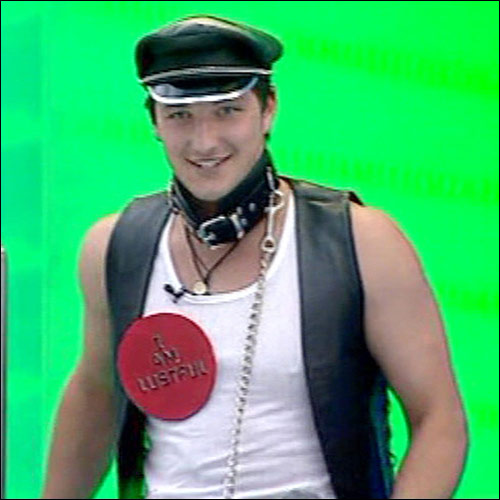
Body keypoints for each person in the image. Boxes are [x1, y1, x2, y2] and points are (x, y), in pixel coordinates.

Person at [41, 15, 468, 500]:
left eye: (228, 111)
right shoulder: (114, 245)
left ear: (268, 109)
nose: (205, 141)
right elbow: (96, 395)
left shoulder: (361, 240)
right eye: (180, 116)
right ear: (154, 121)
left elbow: (440, 420)